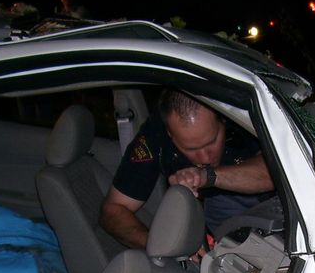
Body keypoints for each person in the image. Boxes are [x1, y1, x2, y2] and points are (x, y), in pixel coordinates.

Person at [100, 90, 275, 249]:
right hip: (218, 227)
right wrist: (163, 246)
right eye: (191, 149)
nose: (205, 158)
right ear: (170, 134)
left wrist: (205, 176)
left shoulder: (240, 115)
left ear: (223, 121)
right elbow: (113, 210)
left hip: (272, 207)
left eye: (211, 142)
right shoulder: (156, 136)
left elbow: (273, 173)